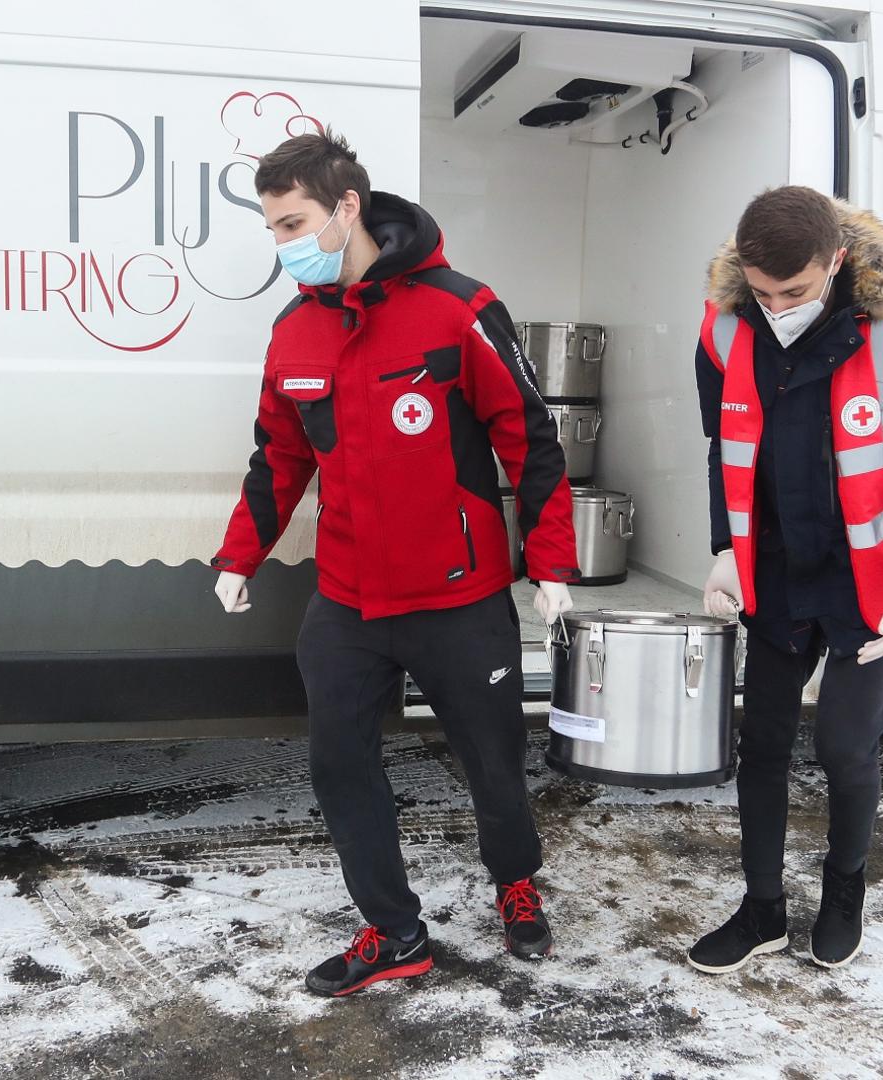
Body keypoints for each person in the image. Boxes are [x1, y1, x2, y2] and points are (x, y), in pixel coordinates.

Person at [210, 131, 581, 997]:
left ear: (347, 208)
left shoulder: (459, 308)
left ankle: (514, 882)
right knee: (339, 764)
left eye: (292, 222)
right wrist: (241, 557)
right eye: (270, 228)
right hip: (346, 600)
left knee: (491, 758)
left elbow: (529, 437)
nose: (282, 244)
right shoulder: (296, 330)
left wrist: (549, 562)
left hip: (459, 595)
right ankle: (394, 929)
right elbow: (278, 458)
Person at [685, 186, 883, 971]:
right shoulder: (722, 330)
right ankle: (761, 911)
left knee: (848, 749)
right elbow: (724, 445)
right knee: (763, 745)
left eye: (795, 290)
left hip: (874, 584)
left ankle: (843, 893)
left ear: (837, 262)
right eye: (761, 290)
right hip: (778, 573)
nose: (776, 305)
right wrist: (725, 545)